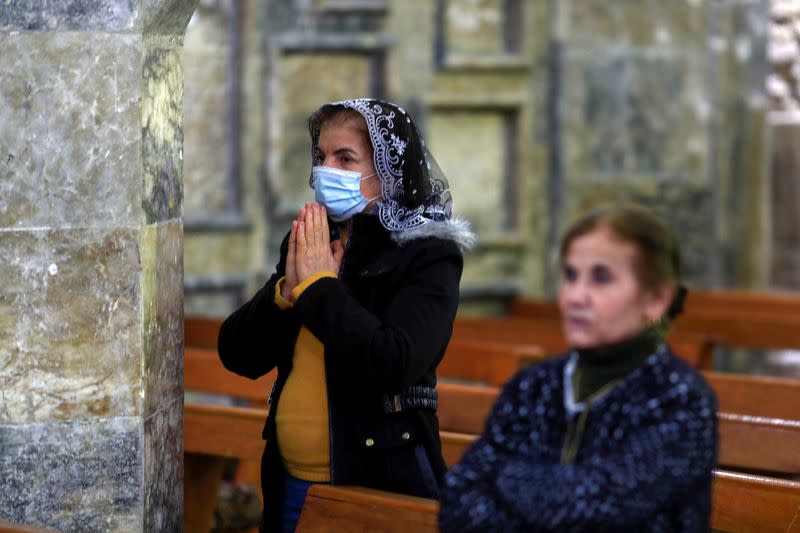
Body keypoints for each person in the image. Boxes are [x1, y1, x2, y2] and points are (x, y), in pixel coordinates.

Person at [217, 98, 475, 533]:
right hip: (287, 479)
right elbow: (239, 355)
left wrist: (318, 289)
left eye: (345, 158)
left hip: (375, 482)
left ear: (389, 172)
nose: (325, 170)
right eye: (321, 157)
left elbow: (394, 362)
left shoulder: (428, 254)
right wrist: (284, 293)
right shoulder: (315, 240)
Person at [439, 205, 718, 532]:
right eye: (571, 276)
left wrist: (504, 477)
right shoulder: (534, 385)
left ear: (656, 299)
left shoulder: (678, 398)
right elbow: (458, 502)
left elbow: (599, 506)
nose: (576, 296)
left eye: (601, 278)